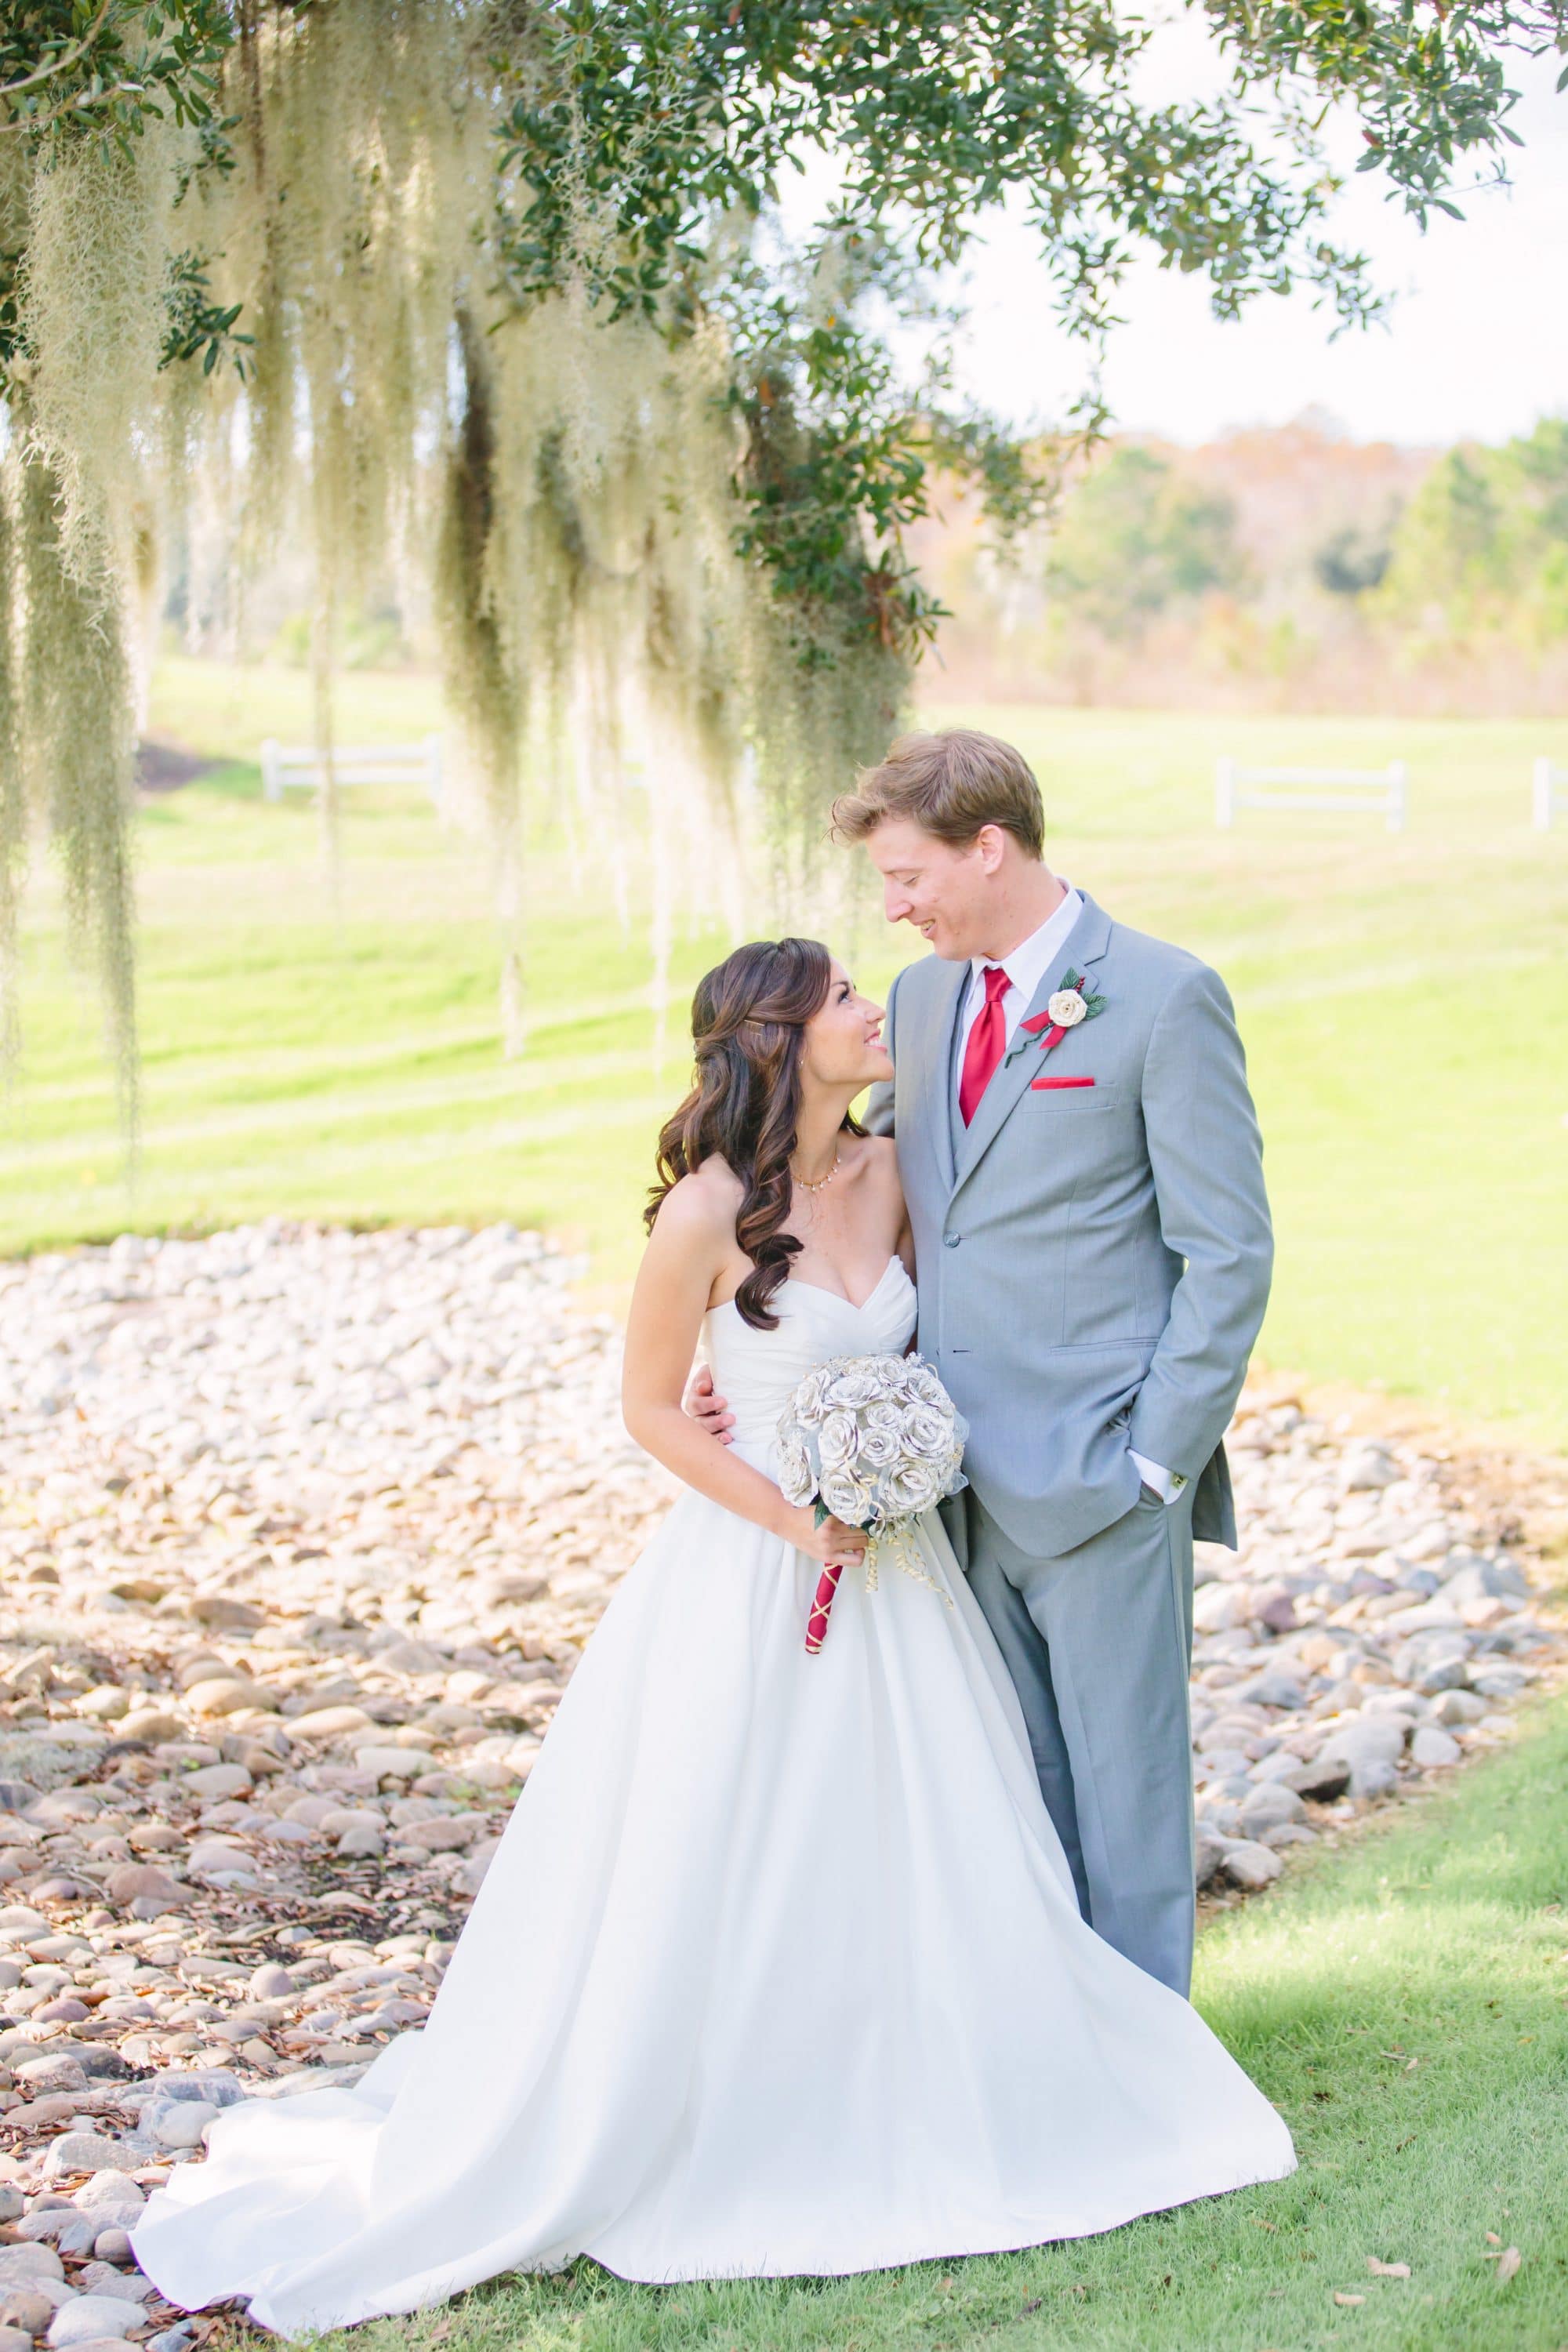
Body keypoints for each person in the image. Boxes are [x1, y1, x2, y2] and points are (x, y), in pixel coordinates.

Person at [130, 935, 1291, 2335]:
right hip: (763, 1574)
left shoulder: (903, 1169)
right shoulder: (707, 1212)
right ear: (777, 1039)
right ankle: (741, 2101)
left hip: (905, 1572)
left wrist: (901, 1453)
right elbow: (651, 1407)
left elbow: (953, 1336)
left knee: (934, 1835)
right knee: (743, 1840)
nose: (876, 1009)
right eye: (844, 1000)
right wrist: (795, 1515)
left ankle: (951, 2074)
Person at [691, 730, 1272, 1998]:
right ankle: (1053, 2055)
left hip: (1101, 1476)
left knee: (1127, 1806)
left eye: (908, 877)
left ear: (989, 848)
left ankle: (1156, 2082)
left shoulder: (1166, 999)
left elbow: (1227, 1256)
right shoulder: (918, 1000)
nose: (893, 907)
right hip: (937, 1491)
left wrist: (1156, 1463)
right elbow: (859, 1196)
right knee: (1008, 1799)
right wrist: (744, 1349)